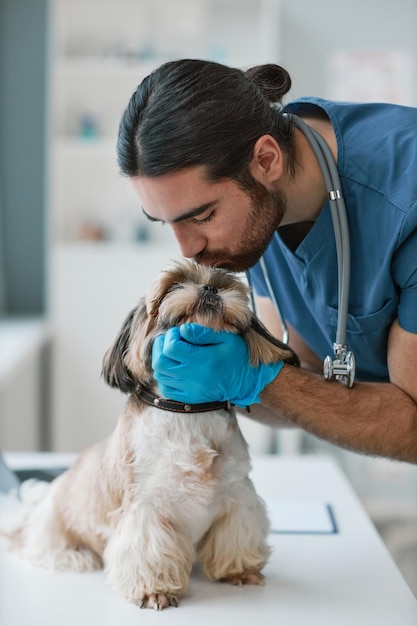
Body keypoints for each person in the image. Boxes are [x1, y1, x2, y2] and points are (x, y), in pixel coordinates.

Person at [117, 58, 417, 464]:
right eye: (165, 222)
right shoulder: (262, 206)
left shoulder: (405, 198)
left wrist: (259, 378)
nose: (187, 249)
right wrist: (212, 381)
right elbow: (304, 375)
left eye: (203, 216)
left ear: (267, 160)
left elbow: (411, 423)